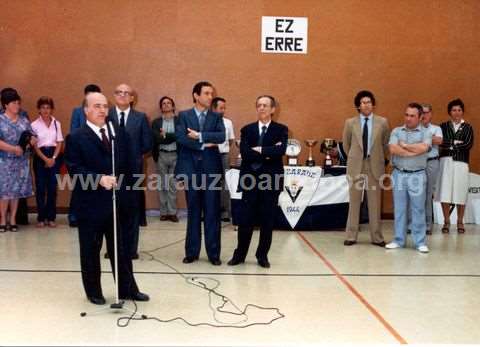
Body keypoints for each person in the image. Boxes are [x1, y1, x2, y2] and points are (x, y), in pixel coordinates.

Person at [65, 92, 149, 305]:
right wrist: (98, 179)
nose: (102, 110)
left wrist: (131, 194)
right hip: (90, 203)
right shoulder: (76, 137)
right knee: (91, 250)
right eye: (96, 106)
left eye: (104, 106)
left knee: (121, 249)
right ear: (86, 110)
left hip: (118, 201)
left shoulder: (117, 133)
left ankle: (127, 289)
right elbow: (74, 170)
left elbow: (130, 164)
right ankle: (94, 292)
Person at [227, 95, 288, 268]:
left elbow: (281, 150)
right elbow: (246, 153)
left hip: (270, 180)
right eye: (259, 105)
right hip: (250, 180)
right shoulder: (247, 130)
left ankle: (262, 256)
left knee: (267, 220)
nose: (261, 108)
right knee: (245, 220)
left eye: (265, 105)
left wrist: (260, 149)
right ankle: (239, 255)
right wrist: (269, 151)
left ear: (273, 109)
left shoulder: (281, 129)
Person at [175, 81, 225, 265]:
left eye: (211, 93)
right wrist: (205, 143)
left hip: (211, 171)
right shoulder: (184, 115)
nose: (210, 96)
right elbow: (181, 138)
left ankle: (214, 254)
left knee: (212, 213)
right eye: (206, 93)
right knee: (193, 212)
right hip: (191, 171)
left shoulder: (216, 116)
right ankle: (192, 252)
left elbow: (221, 137)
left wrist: (199, 136)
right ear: (196, 95)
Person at [108, 84, 152, 259]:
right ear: (114, 95)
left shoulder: (140, 118)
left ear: (132, 98)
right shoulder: (106, 116)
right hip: (110, 170)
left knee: (132, 210)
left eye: (127, 93)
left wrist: (134, 155)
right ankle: (113, 248)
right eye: (119, 92)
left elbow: (147, 144)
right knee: (111, 210)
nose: (123, 95)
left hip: (133, 170)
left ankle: (131, 249)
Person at [342, 90, 390, 247]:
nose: (366, 105)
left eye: (368, 102)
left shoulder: (382, 122)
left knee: (375, 203)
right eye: (363, 102)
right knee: (354, 202)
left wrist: (378, 158)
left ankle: (377, 237)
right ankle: (351, 236)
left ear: (373, 104)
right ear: (358, 106)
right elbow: (346, 144)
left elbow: (385, 144)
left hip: (374, 165)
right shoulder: (350, 123)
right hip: (356, 165)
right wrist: (356, 158)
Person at [386, 103, 432, 253]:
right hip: (399, 174)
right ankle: (399, 240)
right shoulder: (396, 131)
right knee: (399, 208)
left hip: (417, 174)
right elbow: (393, 148)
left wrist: (404, 146)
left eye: (412, 116)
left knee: (418, 209)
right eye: (406, 115)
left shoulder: (426, 132)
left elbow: (424, 148)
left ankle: (420, 242)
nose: (408, 118)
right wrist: (413, 150)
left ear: (420, 117)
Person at [436, 98, 474, 234]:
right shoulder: (443, 126)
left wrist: (450, 144)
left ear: (462, 112)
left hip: (461, 164)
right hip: (445, 162)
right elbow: (440, 142)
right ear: (449, 112)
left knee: (460, 191)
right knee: (445, 191)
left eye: (459, 110)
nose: (456, 113)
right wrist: (455, 142)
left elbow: (468, 145)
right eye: (454, 110)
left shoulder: (468, 127)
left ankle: (459, 221)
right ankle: (446, 221)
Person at [0, 88, 35, 233]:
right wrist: (13, 149)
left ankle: (13, 219)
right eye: (13, 103)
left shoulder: (24, 120)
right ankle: (2, 220)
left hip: (21, 162)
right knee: (4, 191)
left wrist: (28, 143)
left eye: (18, 103)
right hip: (5, 161)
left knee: (16, 192)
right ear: (6, 105)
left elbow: (33, 137)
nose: (17, 105)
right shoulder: (1, 120)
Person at [68, 84, 101, 227]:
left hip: (97, 155)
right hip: (81, 153)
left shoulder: (103, 111)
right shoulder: (77, 111)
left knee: (95, 187)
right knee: (79, 186)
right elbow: (73, 131)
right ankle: (74, 216)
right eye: (89, 94)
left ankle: (94, 214)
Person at [31, 97, 64, 228]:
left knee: (52, 188)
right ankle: (41, 218)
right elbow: (34, 146)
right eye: (43, 107)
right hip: (40, 157)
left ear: (52, 109)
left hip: (54, 156)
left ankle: (51, 217)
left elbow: (60, 142)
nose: (46, 110)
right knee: (40, 188)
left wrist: (53, 158)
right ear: (39, 109)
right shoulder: (33, 125)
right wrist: (45, 159)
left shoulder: (57, 123)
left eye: (48, 107)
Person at [152, 96, 179, 222]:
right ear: (161, 107)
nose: (166, 105)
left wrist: (166, 136)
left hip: (176, 155)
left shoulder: (179, 121)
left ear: (173, 106)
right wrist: (171, 136)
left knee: (172, 184)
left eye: (169, 103)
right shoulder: (156, 122)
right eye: (164, 103)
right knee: (162, 184)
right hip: (161, 155)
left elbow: (180, 136)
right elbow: (156, 139)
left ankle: (172, 212)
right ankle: (163, 212)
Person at [420, 104, 443, 235]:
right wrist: (429, 139)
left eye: (426, 112)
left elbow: (439, 141)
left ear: (431, 114)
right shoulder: (414, 127)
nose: (424, 115)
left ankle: (428, 225)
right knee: (416, 193)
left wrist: (422, 138)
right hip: (417, 163)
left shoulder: (437, 128)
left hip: (432, 163)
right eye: (422, 112)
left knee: (428, 194)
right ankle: (414, 224)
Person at [211, 97, 235, 222]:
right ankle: (209, 212)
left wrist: (222, 149)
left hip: (223, 155)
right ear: (214, 108)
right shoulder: (206, 121)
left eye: (224, 108)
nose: (223, 110)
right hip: (210, 155)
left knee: (225, 184)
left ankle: (225, 212)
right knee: (209, 183)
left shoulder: (228, 122)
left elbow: (231, 140)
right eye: (221, 108)